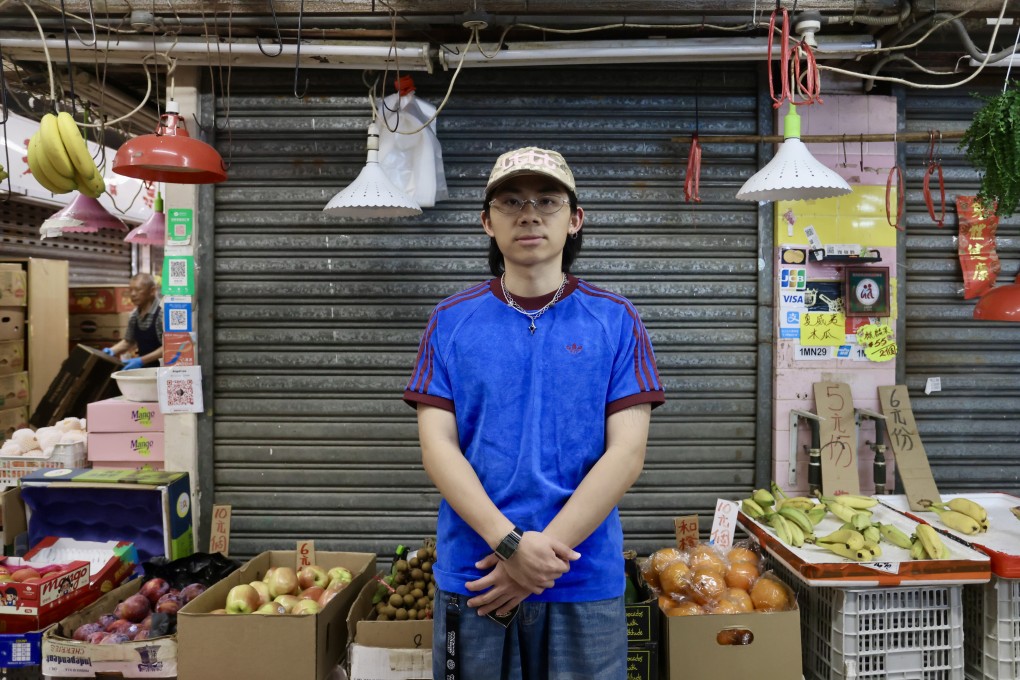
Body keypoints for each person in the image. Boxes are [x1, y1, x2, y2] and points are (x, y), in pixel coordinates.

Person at [404, 147, 665, 679]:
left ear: (575, 220)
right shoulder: (450, 321)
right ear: (486, 222)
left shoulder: (616, 321)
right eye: (510, 201)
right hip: (477, 576)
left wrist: (534, 563)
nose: (529, 213)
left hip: (582, 576)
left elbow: (627, 454)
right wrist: (509, 544)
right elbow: (437, 448)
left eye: (548, 200)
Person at [102, 273, 163, 369]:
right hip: (145, 370)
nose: (133, 294)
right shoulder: (135, 315)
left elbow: (168, 348)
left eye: (138, 290)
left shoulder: (161, 313)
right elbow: (129, 341)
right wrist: (111, 351)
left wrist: (141, 360)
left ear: (152, 291)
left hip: (162, 371)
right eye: (130, 290)